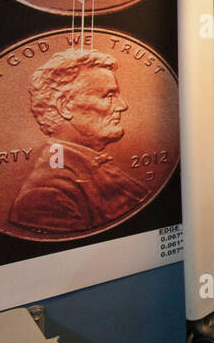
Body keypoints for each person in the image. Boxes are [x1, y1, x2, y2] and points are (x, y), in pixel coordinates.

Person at [10, 48, 150, 237]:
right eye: (108, 96)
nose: (122, 105)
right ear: (65, 106)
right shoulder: (46, 195)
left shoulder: (90, 167)